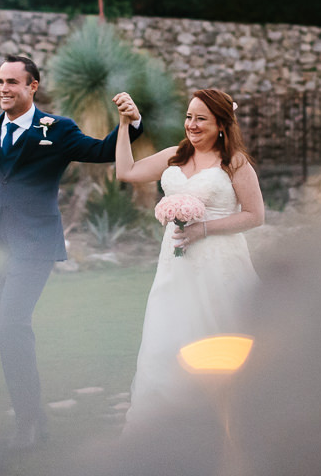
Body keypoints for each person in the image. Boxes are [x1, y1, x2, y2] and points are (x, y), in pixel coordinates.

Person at [0, 55, 143, 450]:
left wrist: (131, 124)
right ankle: (31, 414)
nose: (3, 88)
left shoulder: (56, 130)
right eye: (0, 81)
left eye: (12, 82)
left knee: (11, 326)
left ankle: (27, 422)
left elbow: (104, 150)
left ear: (32, 86)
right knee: (7, 337)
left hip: (35, 246)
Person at [111, 88, 264, 434]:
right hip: (175, 267)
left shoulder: (235, 163)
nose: (192, 125)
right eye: (189, 117)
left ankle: (228, 422)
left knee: (220, 335)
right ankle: (171, 426)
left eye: (201, 119)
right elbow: (126, 171)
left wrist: (204, 229)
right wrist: (123, 126)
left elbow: (255, 216)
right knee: (169, 336)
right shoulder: (174, 157)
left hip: (220, 266)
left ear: (222, 125)